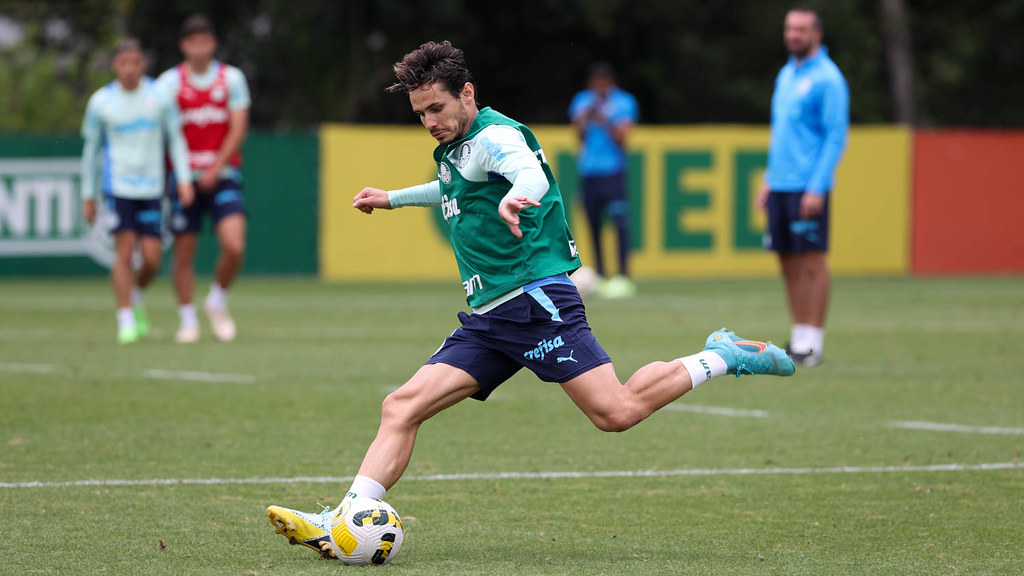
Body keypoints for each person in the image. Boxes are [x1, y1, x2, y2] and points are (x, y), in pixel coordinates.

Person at [265, 41, 795, 560]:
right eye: (420, 112)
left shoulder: (496, 136)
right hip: (491, 317)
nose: (429, 120)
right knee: (400, 406)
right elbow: (453, 187)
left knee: (617, 412)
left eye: (437, 108)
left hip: (535, 302)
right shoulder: (458, 147)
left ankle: (724, 354)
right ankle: (345, 521)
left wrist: (520, 194)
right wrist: (394, 198)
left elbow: (529, 172)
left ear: (467, 93)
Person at [80, 38, 194, 344]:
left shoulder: (159, 97)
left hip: (153, 188)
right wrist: (88, 194)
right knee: (125, 250)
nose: (130, 69)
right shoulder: (101, 102)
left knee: (153, 259)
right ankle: (126, 318)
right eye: (123, 63)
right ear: (115, 66)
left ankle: (135, 293)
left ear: (143, 64)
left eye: (135, 63)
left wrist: (183, 180)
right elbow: (91, 151)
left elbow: (177, 139)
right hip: (117, 188)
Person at [757, 7, 849, 366]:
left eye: (801, 29)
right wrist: (769, 178)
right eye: (790, 28)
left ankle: (814, 343)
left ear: (817, 34)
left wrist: (817, 186)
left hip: (807, 185)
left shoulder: (828, 78)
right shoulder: (786, 74)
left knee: (812, 262)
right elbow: (783, 135)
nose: (794, 35)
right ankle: (798, 338)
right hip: (780, 184)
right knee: (787, 261)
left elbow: (835, 135)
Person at [155, 14, 251, 344]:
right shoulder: (168, 83)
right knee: (184, 252)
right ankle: (187, 320)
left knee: (234, 245)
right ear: (183, 46)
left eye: (204, 41)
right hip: (183, 179)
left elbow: (238, 128)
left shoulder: (231, 79)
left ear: (214, 44)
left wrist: (214, 167)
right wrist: (185, 177)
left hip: (223, 175)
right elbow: (168, 133)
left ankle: (216, 301)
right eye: (192, 42)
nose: (199, 48)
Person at [568, 63, 639, 299]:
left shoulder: (624, 102)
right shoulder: (582, 100)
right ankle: (599, 274)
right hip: (589, 171)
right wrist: (585, 118)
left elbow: (623, 138)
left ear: (610, 82)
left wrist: (605, 119)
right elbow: (578, 135)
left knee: (620, 223)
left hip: (613, 171)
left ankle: (623, 275)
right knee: (593, 224)